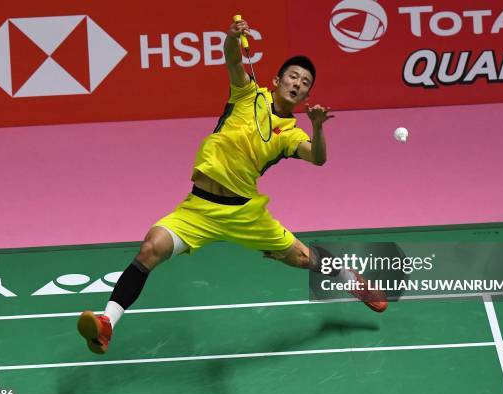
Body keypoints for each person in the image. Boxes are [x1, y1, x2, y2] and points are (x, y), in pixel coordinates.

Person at [77, 18, 387, 355]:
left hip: (244, 213)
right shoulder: (247, 94)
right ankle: (107, 323)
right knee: (150, 249)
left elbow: (318, 158)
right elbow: (233, 59)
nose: (298, 83)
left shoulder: (292, 133)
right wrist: (232, 38)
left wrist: (317, 128)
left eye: (305, 82)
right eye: (293, 76)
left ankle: (351, 280)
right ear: (277, 80)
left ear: (307, 95)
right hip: (198, 209)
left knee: (302, 258)